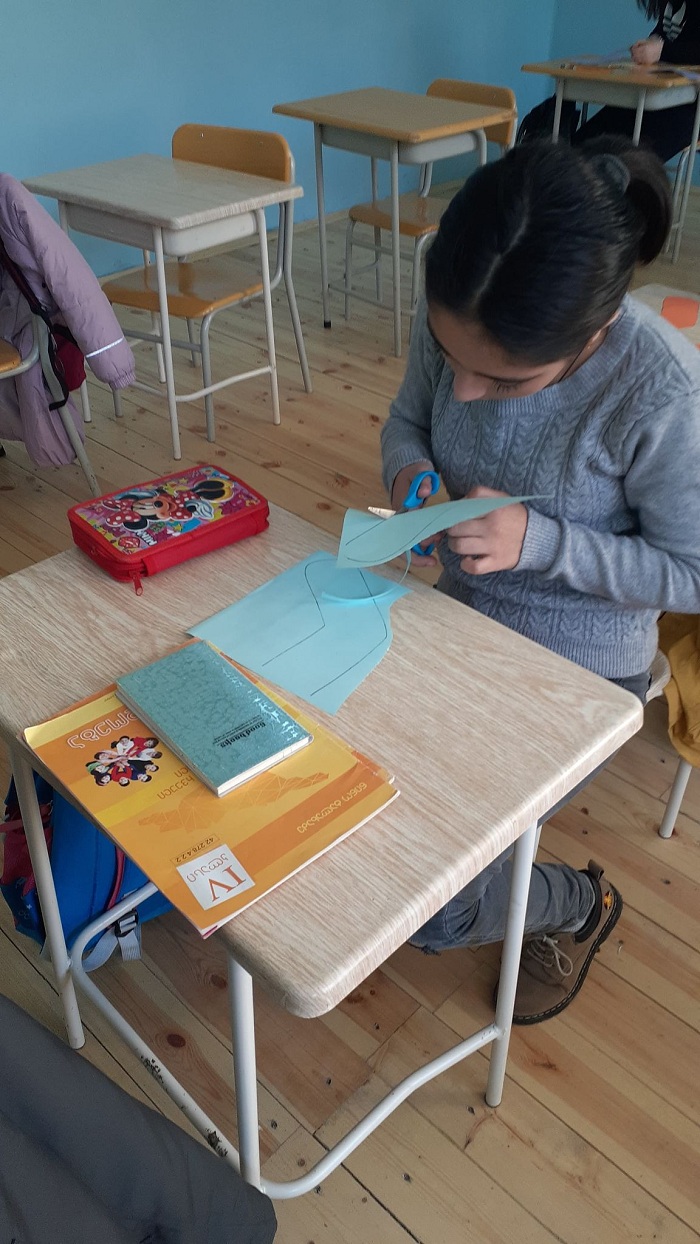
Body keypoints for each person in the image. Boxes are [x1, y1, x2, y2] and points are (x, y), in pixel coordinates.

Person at [380, 136, 700, 1024]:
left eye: (502, 379)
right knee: (352, 801)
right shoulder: (463, 299)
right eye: (452, 358)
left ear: (592, 336)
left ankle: (581, 903)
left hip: (580, 675)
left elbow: (691, 574)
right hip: (456, 620)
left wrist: (540, 542)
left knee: (429, 908)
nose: (464, 391)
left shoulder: (659, 391)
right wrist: (411, 474)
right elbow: (408, 419)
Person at [575, 0, 700, 160]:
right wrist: (652, 41)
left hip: (689, 110)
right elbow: (664, 32)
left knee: (630, 162)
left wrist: (661, 52)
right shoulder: (671, 4)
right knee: (579, 146)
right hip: (657, 98)